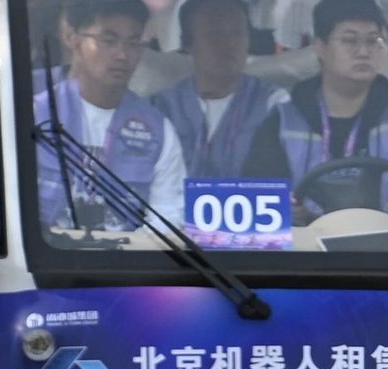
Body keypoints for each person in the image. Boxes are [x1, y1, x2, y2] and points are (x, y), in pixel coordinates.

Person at [242, 0, 388, 226]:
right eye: (349, 40)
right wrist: (283, 209)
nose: (363, 52)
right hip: (307, 245)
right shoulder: (283, 121)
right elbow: (256, 194)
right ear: (319, 47)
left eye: (373, 40)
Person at [35, 0, 187, 230]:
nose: (122, 55)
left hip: (127, 252)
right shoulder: (35, 115)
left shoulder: (158, 131)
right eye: (108, 40)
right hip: (44, 251)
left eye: (133, 43)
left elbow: (169, 215)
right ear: (73, 39)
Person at [151, 0, 288, 179]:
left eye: (238, 33)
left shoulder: (275, 104)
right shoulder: (161, 107)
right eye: (216, 35)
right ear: (187, 43)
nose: (230, 43)